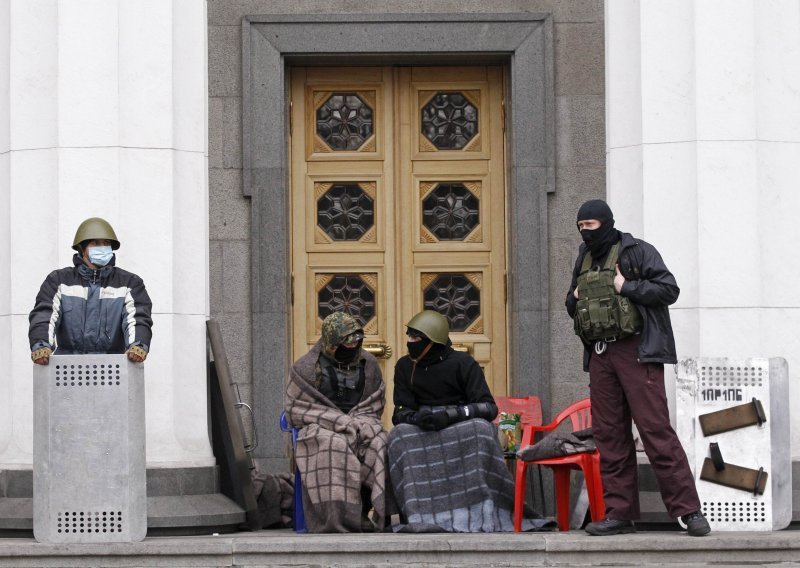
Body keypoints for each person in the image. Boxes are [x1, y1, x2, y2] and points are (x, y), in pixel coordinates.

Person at [565, 199, 710, 537]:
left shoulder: (637, 251)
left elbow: (668, 289)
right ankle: (619, 513)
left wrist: (626, 286)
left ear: (606, 222)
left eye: (591, 225)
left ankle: (689, 511)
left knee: (656, 432)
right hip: (601, 355)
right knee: (610, 436)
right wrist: (573, 299)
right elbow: (574, 305)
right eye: (580, 227)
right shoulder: (583, 259)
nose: (586, 232)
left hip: (637, 352)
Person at [388, 310, 553, 532]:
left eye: (415, 339)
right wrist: (418, 417)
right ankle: (418, 512)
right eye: (409, 337)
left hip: (458, 424)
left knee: (481, 429)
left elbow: (488, 407)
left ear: (432, 340)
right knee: (398, 435)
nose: (410, 343)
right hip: (424, 426)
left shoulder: (463, 363)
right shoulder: (404, 366)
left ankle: (479, 509)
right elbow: (399, 412)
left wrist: (450, 415)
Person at [283, 312, 391, 532]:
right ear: (332, 343)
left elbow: (375, 403)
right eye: (345, 344)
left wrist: (356, 422)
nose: (352, 348)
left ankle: (374, 515)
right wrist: (338, 421)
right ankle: (338, 519)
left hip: (360, 421)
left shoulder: (369, 364)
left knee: (380, 443)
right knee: (335, 446)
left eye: (356, 344)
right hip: (319, 426)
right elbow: (296, 407)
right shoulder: (305, 368)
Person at [29, 217, 152, 365]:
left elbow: (137, 317)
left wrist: (137, 345)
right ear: (82, 248)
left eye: (106, 243)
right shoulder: (58, 281)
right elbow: (45, 314)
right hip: (68, 368)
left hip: (112, 368)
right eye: (95, 243)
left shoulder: (129, 283)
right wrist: (41, 345)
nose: (102, 247)